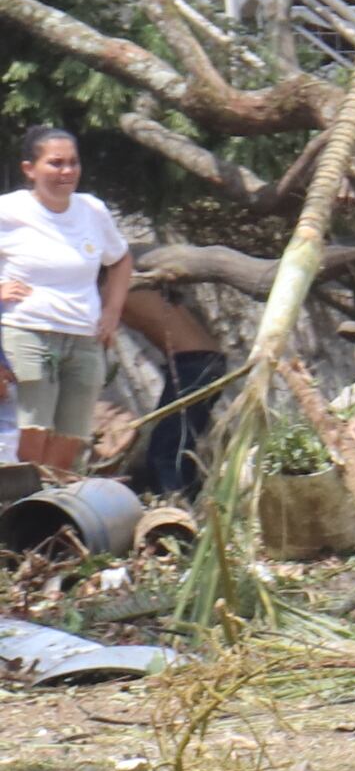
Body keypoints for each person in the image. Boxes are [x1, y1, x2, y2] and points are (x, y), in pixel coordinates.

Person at [0, 129, 131, 476]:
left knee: (70, 438)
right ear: (30, 169)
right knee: (31, 433)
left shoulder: (92, 210)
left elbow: (119, 260)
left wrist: (112, 312)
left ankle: (50, 511)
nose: (67, 172)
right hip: (28, 332)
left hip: (83, 337)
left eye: (73, 163)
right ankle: (17, 510)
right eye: (55, 163)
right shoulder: (9, 210)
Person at [119, 281, 224, 496]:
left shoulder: (120, 289)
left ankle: (175, 504)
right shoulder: (141, 286)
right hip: (205, 361)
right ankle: (187, 497)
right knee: (177, 442)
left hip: (195, 364)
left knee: (167, 448)